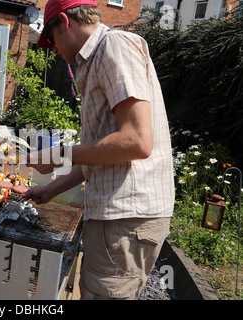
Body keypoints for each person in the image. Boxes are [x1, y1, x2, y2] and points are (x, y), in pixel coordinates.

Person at [23, 0, 175, 300]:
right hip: (119, 218)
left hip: (125, 219)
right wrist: (52, 190)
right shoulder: (97, 59)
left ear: (64, 21)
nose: (53, 48)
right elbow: (104, 153)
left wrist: (58, 155)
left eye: (51, 39)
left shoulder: (113, 46)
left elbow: (136, 142)